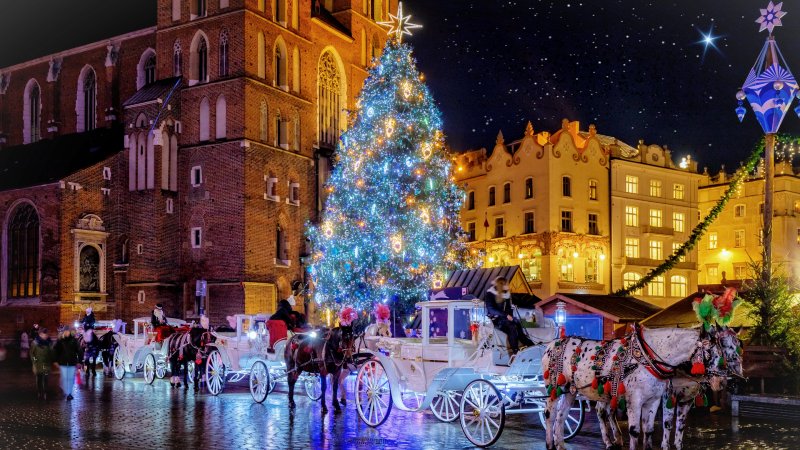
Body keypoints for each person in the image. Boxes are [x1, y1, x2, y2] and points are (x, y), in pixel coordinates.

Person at [484, 276, 533, 355]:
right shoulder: (490, 294)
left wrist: (534, 306)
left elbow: (520, 301)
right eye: (506, 284)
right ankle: (515, 352)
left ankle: (529, 345)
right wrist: (506, 315)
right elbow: (491, 309)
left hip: (506, 319)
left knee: (518, 323)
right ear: (501, 285)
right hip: (497, 320)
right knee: (512, 327)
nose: (508, 285)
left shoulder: (506, 294)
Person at [54, 328, 81, 400]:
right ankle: (67, 391)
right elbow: (56, 351)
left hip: (72, 362)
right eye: (65, 331)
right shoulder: (60, 341)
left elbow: (79, 350)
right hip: (63, 363)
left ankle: (69, 393)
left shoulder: (74, 341)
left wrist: (79, 361)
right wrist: (56, 360)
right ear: (63, 332)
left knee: (71, 378)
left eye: (68, 331)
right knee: (65, 378)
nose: (67, 333)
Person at [30, 328, 53, 400]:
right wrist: (34, 361)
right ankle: (39, 392)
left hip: (46, 364)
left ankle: (45, 392)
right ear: (40, 334)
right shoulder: (35, 343)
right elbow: (31, 353)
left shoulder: (49, 343)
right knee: (39, 379)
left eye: (46, 334)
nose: (45, 336)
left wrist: (52, 359)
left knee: (46, 378)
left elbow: (51, 353)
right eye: (43, 334)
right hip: (38, 364)